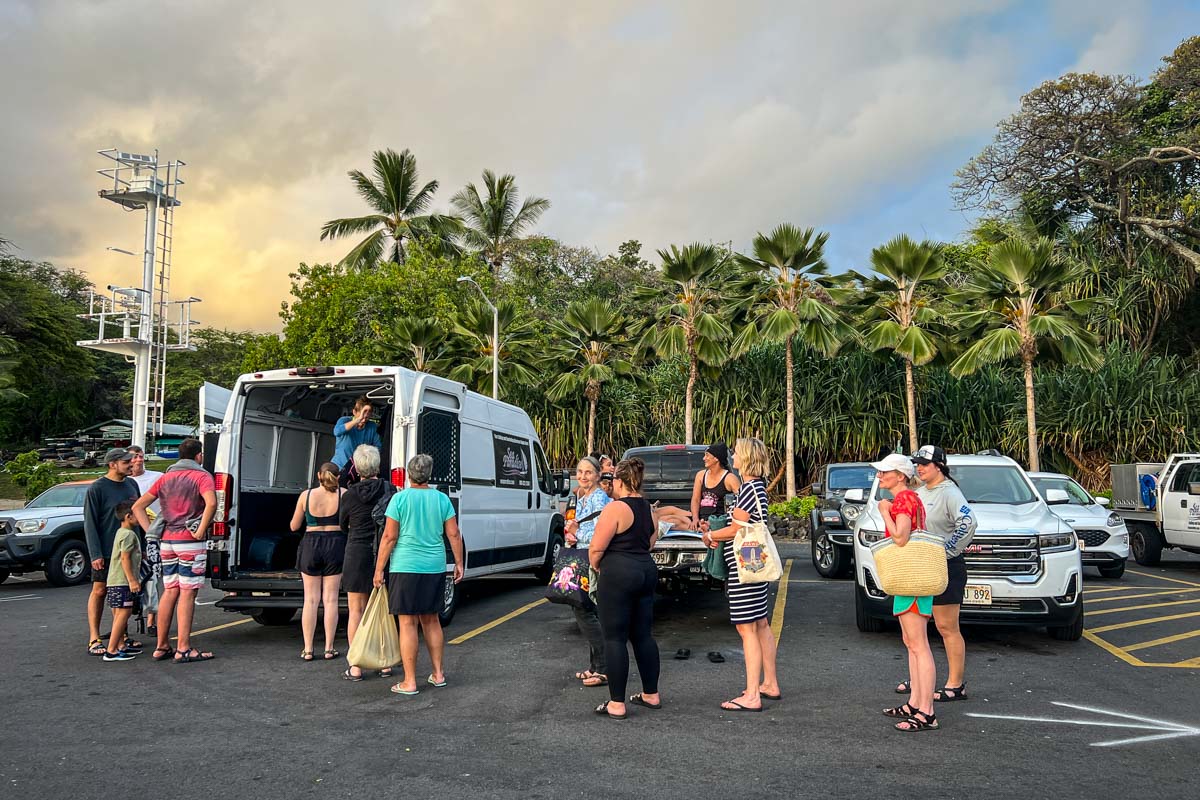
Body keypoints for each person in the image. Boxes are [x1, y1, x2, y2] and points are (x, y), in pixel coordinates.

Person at [373, 453, 465, 695]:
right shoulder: (442, 499)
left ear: (410, 475)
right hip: (434, 565)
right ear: (429, 474)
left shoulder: (399, 500)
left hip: (405, 566)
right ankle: (438, 673)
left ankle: (410, 681)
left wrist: (379, 568)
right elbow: (454, 534)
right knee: (431, 620)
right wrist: (458, 563)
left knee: (407, 622)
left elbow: (390, 536)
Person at [702, 437, 780, 712]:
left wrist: (710, 534)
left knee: (746, 628)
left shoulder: (747, 489)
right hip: (755, 563)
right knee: (760, 623)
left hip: (744, 566)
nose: (732, 456)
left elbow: (736, 528)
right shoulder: (759, 487)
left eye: (737, 453)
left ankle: (751, 695)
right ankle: (769, 683)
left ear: (746, 459)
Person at [588, 457, 662, 720]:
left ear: (618, 481)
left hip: (619, 572)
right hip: (645, 570)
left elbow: (596, 547)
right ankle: (651, 694)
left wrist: (597, 566)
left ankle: (616, 703)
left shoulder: (615, 509)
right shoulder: (649, 509)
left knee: (614, 637)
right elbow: (651, 542)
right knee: (643, 635)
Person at [132, 438, 217, 663]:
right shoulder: (201, 476)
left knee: (170, 590)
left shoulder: (166, 478)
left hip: (167, 540)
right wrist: (200, 530)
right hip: (189, 541)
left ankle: (161, 646)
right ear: (199, 456)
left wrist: (150, 530)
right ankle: (184, 648)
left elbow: (138, 506)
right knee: (188, 593)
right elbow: (211, 503)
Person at [874, 453, 939, 732]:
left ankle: (927, 710)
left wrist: (884, 513)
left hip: (911, 577)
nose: (880, 476)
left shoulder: (902, 500)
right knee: (912, 642)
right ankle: (916, 703)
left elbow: (900, 537)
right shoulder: (911, 498)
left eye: (884, 472)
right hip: (913, 577)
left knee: (918, 644)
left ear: (900, 476)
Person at [910, 444, 976, 704]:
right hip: (923, 567)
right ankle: (920, 679)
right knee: (918, 624)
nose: (919, 468)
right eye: (917, 464)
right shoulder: (922, 491)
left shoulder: (949, 492)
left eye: (925, 464)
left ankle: (955, 684)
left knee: (947, 626)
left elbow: (968, 522)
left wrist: (947, 551)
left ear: (939, 466)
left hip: (946, 567)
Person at [339, 445, 395, 680]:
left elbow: (343, 524)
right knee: (383, 610)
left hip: (355, 553)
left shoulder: (349, 495)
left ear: (357, 468)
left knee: (356, 611)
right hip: (382, 554)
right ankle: (384, 663)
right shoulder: (389, 490)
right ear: (377, 465)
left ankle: (356, 665)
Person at [83, 448, 141, 656]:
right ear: (112, 464)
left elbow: (139, 514)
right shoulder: (97, 488)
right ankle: (94, 638)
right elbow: (89, 523)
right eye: (126, 461)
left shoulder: (132, 485)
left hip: (128, 549)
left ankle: (122, 638)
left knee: (123, 591)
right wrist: (95, 553)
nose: (131, 464)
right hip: (106, 550)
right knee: (100, 590)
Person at [289, 462, 346, 661]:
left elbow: (294, 526)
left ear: (318, 475)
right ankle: (329, 648)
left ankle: (308, 649)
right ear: (338, 477)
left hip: (311, 545)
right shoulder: (344, 494)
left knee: (310, 600)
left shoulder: (306, 495)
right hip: (336, 544)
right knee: (331, 599)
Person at [565, 456, 611, 688]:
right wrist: (572, 532)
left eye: (588, 473)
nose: (583, 476)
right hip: (582, 558)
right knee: (588, 609)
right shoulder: (582, 497)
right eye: (580, 472)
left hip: (594, 561)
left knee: (584, 610)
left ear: (597, 475)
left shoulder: (600, 499)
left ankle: (604, 667)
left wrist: (577, 532)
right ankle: (595, 665)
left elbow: (600, 534)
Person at [127, 445, 163, 634]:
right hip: (132, 532)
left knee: (152, 576)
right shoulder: (125, 482)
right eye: (134, 457)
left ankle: (151, 620)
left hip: (153, 531)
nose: (139, 460)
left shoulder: (156, 477)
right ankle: (124, 621)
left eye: (141, 456)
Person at [102, 502, 143, 662]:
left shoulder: (120, 532)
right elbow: (125, 558)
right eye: (138, 514)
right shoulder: (128, 535)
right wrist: (132, 580)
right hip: (122, 581)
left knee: (118, 613)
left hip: (114, 580)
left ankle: (120, 645)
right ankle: (111, 650)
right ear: (128, 516)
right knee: (124, 613)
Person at [333, 396, 383, 487]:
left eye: (367, 418)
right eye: (361, 417)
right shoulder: (344, 420)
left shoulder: (371, 426)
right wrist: (357, 420)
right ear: (354, 412)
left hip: (359, 470)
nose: (363, 420)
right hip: (340, 467)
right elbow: (337, 432)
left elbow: (378, 447)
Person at [690, 442, 741, 531]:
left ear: (716, 458)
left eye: (707, 455)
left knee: (678, 521)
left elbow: (741, 499)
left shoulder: (729, 478)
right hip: (700, 518)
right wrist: (695, 518)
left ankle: (704, 528)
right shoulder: (700, 475)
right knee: (669, 514)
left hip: (717, 521)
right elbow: (696, 499)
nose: (704, 458)